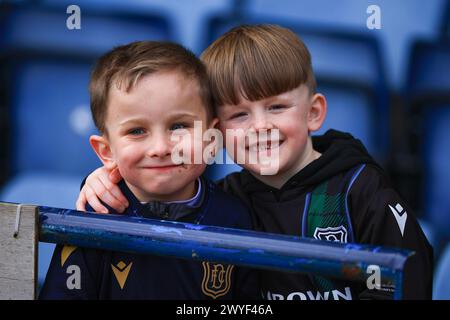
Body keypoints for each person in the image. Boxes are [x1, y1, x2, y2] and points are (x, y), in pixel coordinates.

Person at [76, 25, 433, 300]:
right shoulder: (224, 202)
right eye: (240, 115)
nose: (260, 127)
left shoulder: (361, 192)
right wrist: (106, 180)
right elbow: (158, 203)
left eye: (277, 107)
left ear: (313, 113)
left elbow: (408, 279)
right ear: (215, 133)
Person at [39, 41, 259, 300]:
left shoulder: (236, 218)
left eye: (178, 126)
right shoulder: (93, 220)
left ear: (211, 140)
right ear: (107, 152)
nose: (160, 148)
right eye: (137, 131)